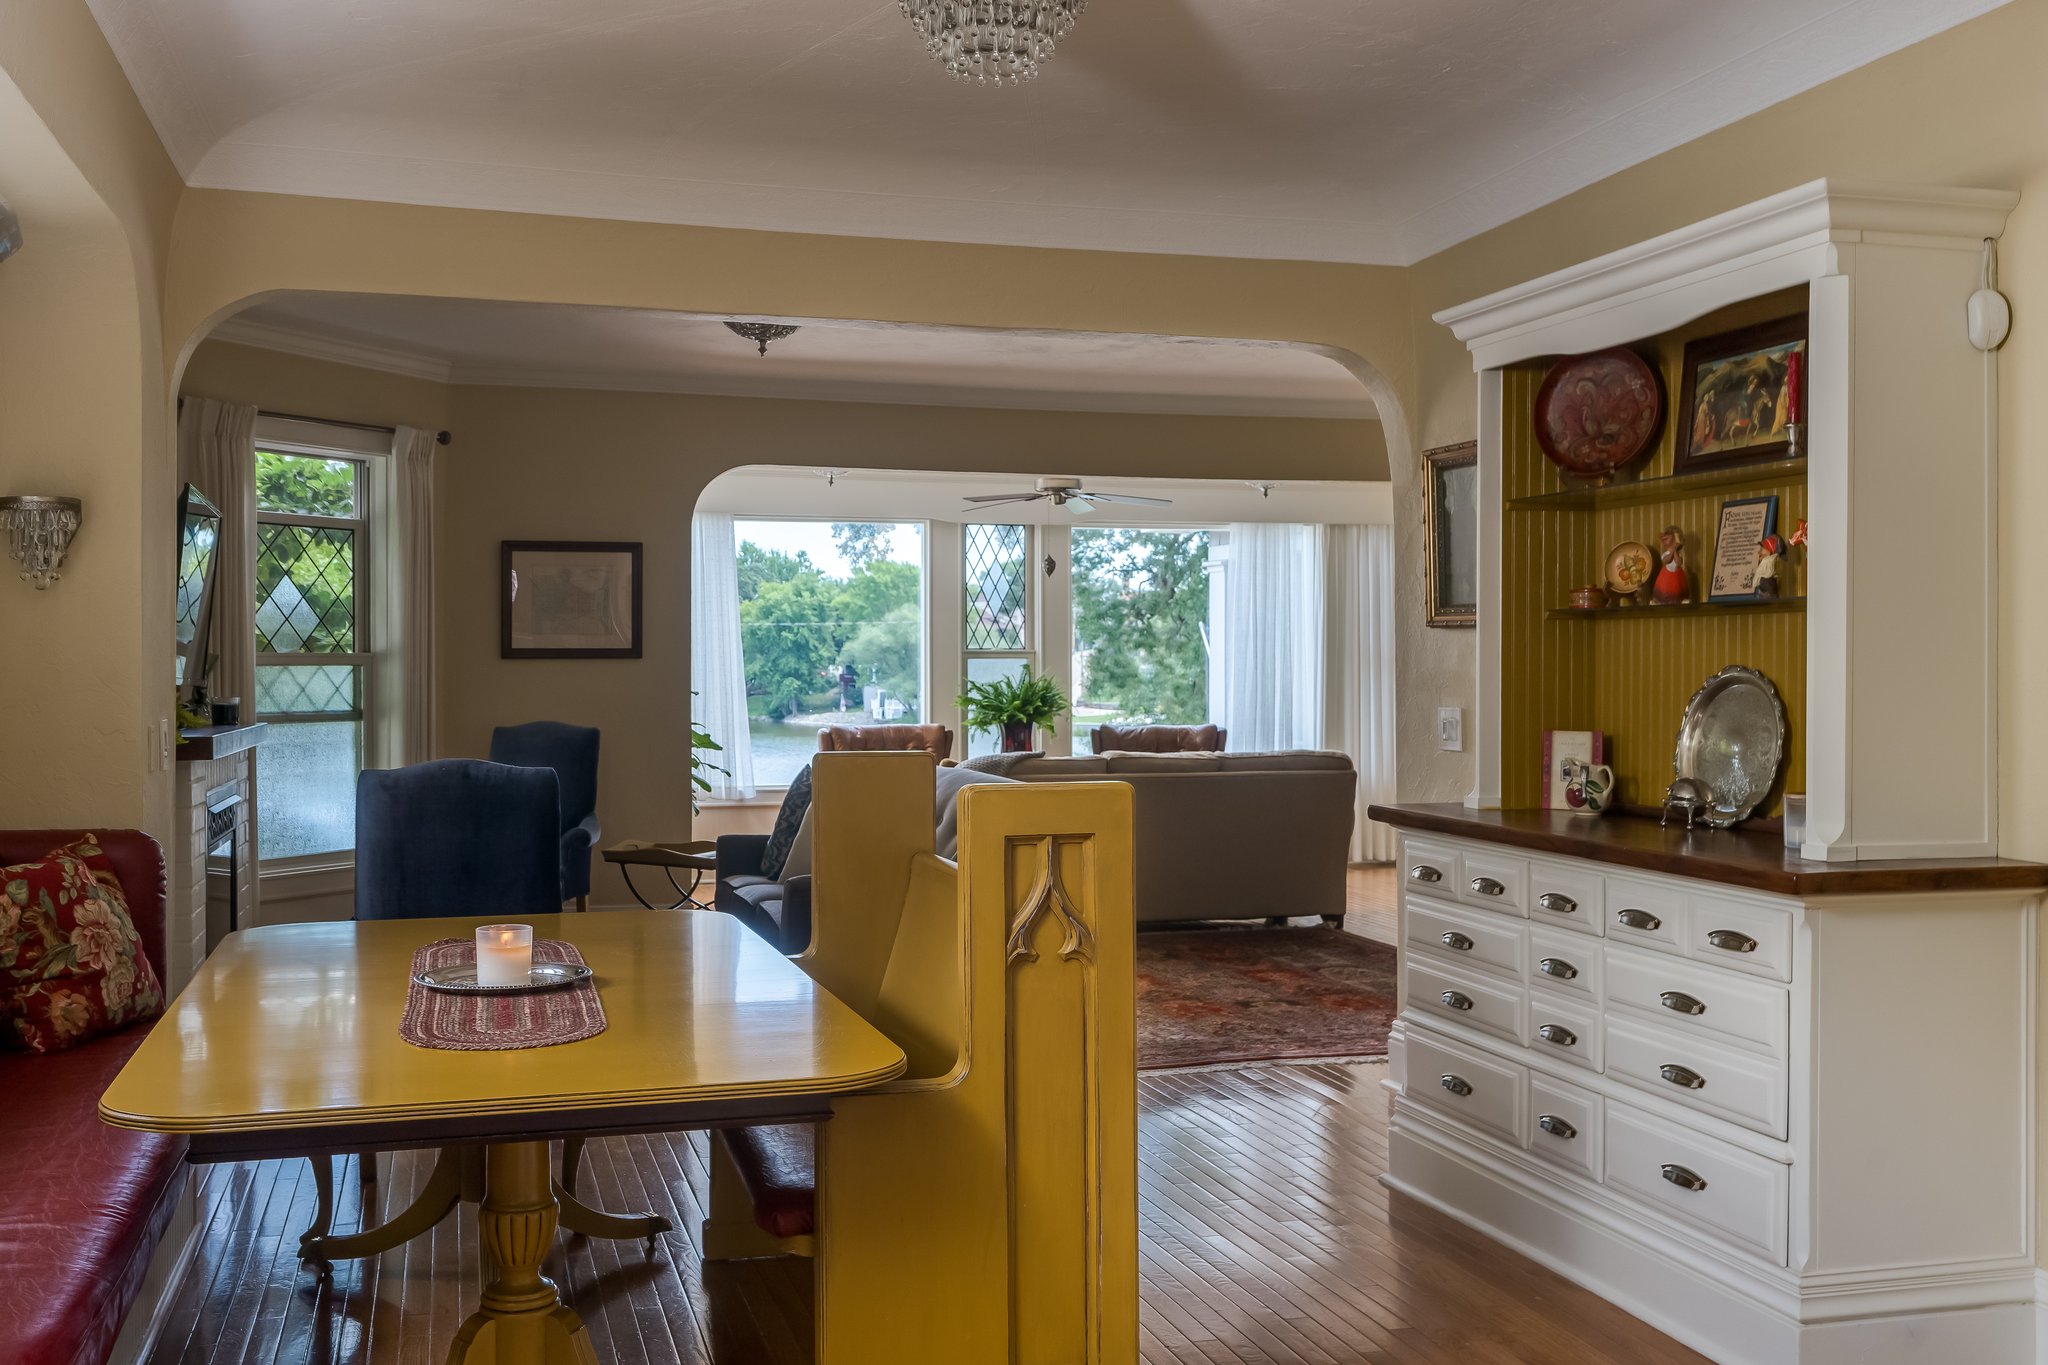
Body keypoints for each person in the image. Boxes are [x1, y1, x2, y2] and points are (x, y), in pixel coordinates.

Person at [1652, 524, 1688, 604]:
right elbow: (1666, 561)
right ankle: (1660, 600)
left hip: (1676, 576)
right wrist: (1672, 550)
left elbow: (1678, 563)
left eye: (1667, 538)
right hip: (1666, 575)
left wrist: (1675, 550)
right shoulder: (1665, 554)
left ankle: (1680, 599)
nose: (1664, 541)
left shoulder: (1678, 554)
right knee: (1664, 589)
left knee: (1677, 588)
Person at [1755, 533, 1784, 598]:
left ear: (1770, 551)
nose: (1759, 552)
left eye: (1762, 550)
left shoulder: (1767, 578)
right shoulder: (1763, 573)